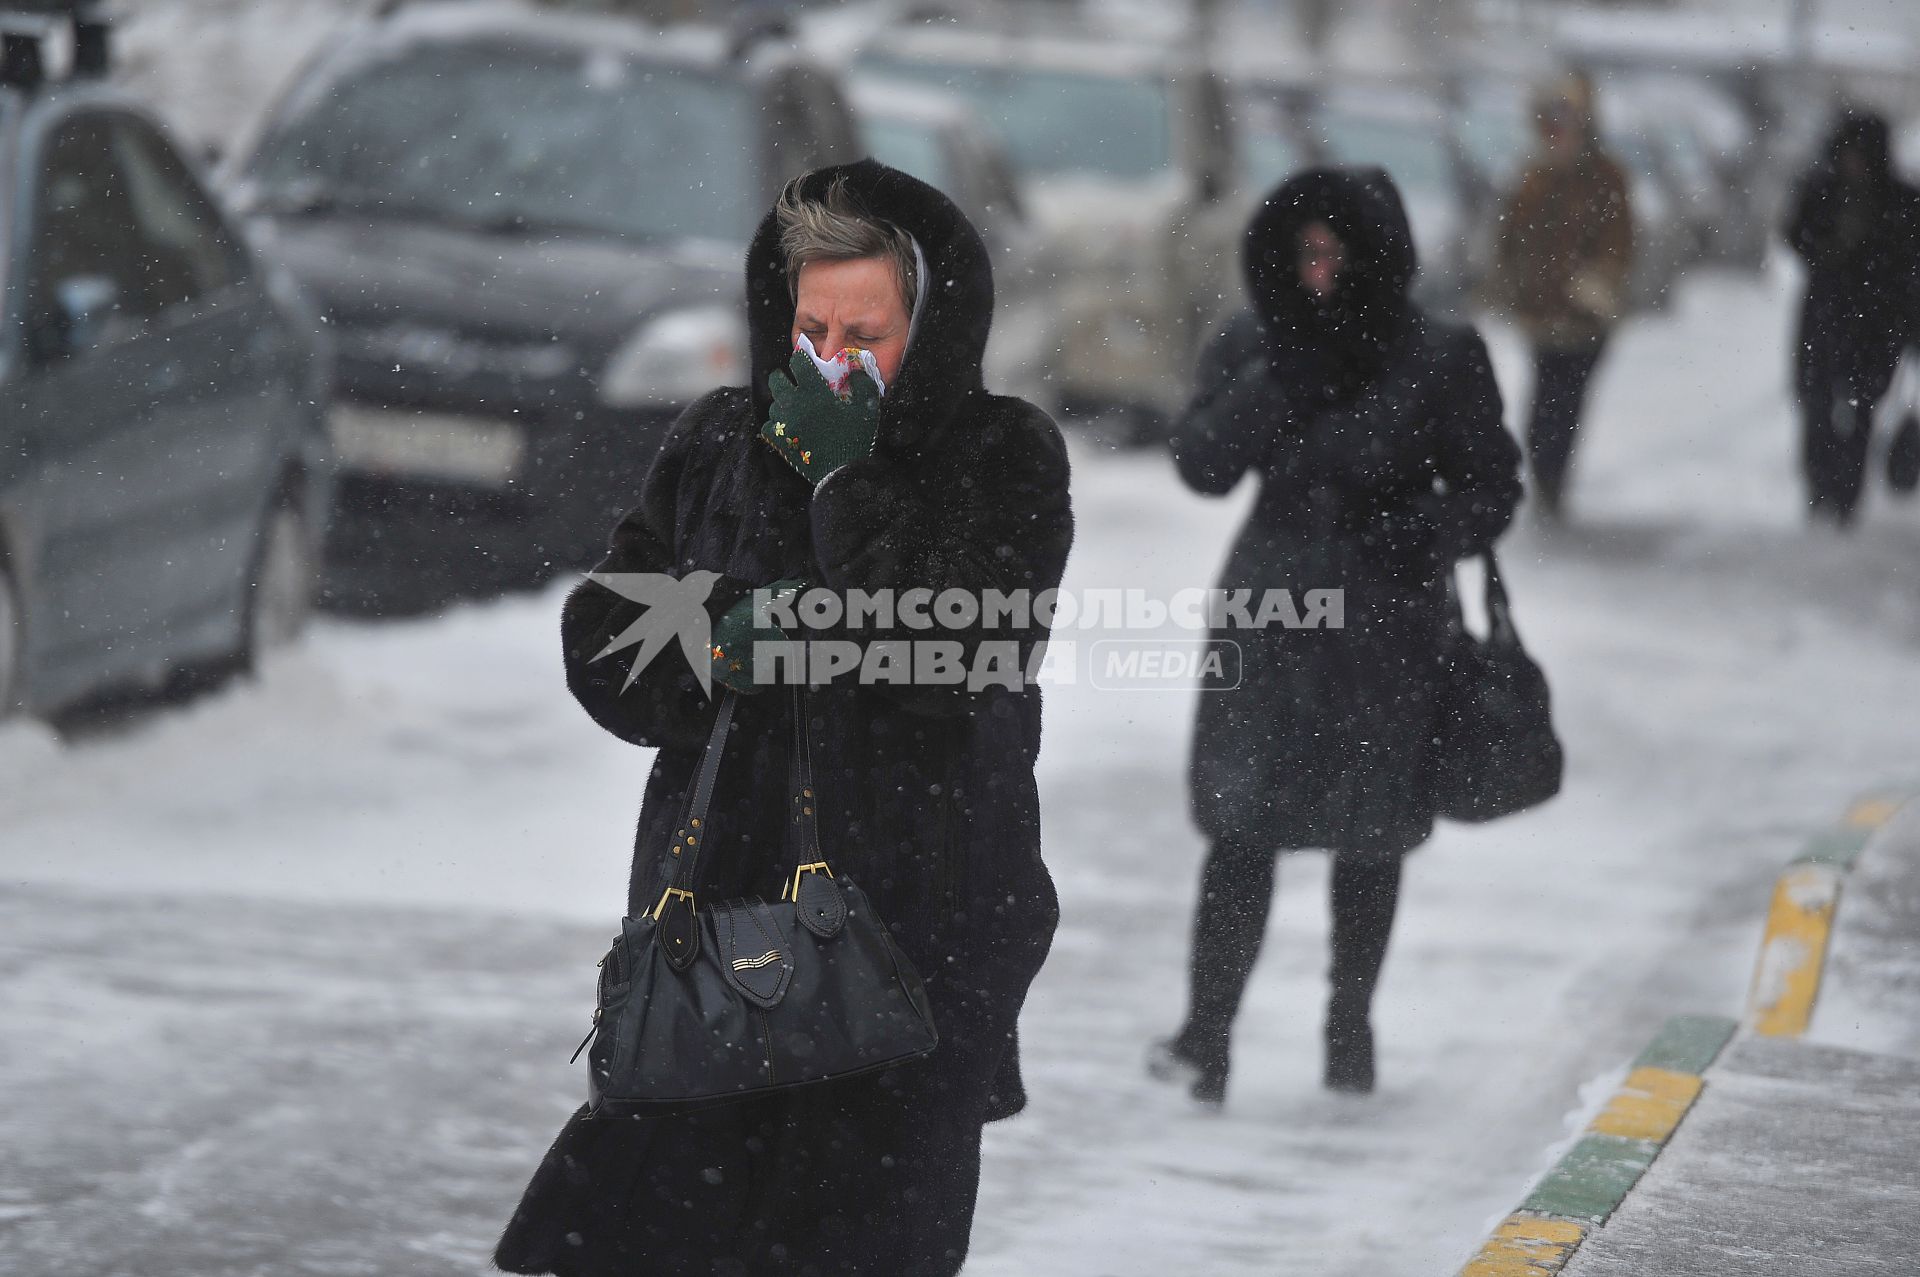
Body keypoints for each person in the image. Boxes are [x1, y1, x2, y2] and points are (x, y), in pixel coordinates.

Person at [494, 160, 1074, 1277]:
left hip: (916, 953)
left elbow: (961, 651)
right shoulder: (720, 438)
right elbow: (602, 640)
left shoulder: (1001, 454)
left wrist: (843, 488)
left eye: (867, 331)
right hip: (713, 939)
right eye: (812, 326)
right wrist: (719, 640)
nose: (831, 359)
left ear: (933, 321)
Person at [1151, 168, 1521, 1104]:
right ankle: (1207, 1035)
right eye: (1301, 253)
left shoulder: (1441, 354)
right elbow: (1200, 463)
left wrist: (1428, 528)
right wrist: (1277, 372)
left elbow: (1493, 488)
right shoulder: (1253, 338)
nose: (1318, 271)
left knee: (1371, 833)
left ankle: (1348, 1026)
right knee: (1241, 827)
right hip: (1269, 611)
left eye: (1335, 251)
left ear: (1375, 255)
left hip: (1388, 623)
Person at [1498, 71, 1634, 520]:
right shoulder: (1533, 177)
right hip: (1541, 315)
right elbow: (1511, 239)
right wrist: (1513, 286)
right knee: (1543, 400)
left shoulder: (1605, 177)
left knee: (1567, 400)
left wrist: (1597, 282)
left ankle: (1554, 479)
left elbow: (1619, 240)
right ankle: (1542, 474)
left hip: (1585, 319)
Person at [1784, 109, 1920, 526]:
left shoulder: (1901, 201)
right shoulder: (1821, 191)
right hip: (1826, 319)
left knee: (1861, 410)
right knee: (1816, 404)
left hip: (1877, 324)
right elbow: (1795, 236)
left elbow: (1910, 268)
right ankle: (1821, 487)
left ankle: (1845, 494)